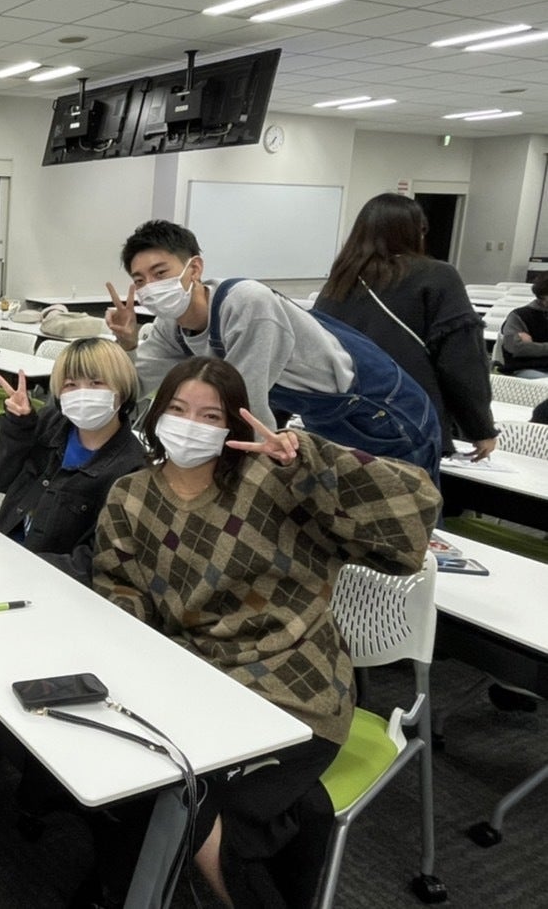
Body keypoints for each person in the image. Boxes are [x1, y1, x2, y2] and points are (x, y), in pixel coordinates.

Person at [93, 357, 438, 908]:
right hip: (194, 676)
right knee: (138, 773)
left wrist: (314, 462)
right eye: (178, 409)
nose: (190, 425)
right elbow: (120, 582)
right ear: (156, 415)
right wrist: (136, 647)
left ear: (235, 424)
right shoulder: (130, 493)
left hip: (293, 683)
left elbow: (412, 515)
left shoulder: (278, 481)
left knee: (190, 797)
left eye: (210, 416)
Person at [105, 219, 441, 477]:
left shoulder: (246, 303)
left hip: (384, 413)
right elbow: (134, 386)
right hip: (325, 419)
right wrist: (128, 344)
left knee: (404, 520)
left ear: (194, 268)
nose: (150, 287)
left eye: (160, 273)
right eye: (140, 280)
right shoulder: (171, 327)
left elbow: (246, 405)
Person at [315, 193, 496, 460]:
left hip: (337, 420)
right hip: (407, 420)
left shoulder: (338, 282)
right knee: (407, 489)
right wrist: (480, 427)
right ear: (417, 231)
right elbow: (461, 360)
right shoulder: (438, 276)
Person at [0, 337, 145, 582]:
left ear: (122, 388)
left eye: (96, 383)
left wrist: (23, 567)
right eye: (70, 384)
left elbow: (98, 557)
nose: (82, 393)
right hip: (2, 551)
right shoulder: (48, 423)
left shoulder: (132, 468)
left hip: (50, 580)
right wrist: (18, 427)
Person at [496, 273, 548, 378]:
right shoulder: (518, 316)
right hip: (527, 368)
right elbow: (514, 347)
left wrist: (535, 346)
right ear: (543, 295)